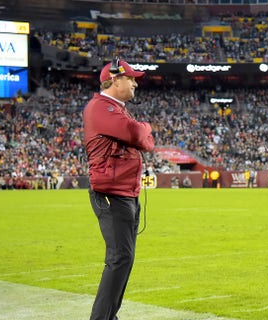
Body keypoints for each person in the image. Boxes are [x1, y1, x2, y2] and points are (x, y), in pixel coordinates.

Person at [83, 58, 155, 320]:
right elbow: (138, 135)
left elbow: (145, 142)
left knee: (124, 259)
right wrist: (145, 128)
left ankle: (109, 316)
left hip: (126, 193)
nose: (135, 82)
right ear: (115, 79)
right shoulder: (101, 107)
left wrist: (142, 132)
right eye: (131, 78)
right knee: (119, 259)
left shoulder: (116, 108)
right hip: (112, 194)